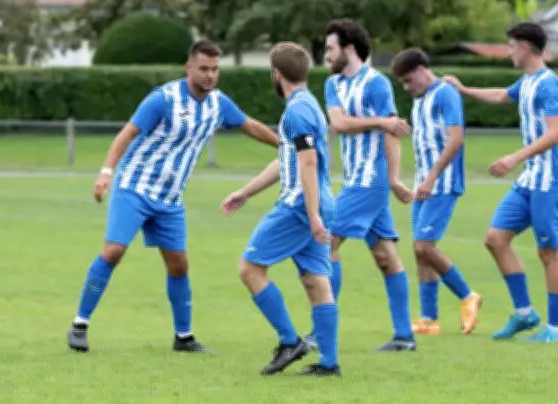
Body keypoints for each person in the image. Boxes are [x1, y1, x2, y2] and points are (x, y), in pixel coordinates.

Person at [67, 39, 280, 353]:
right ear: (189, 67)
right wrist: (106, 172)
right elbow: (127, 133)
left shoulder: (218, 104)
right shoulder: (163, 99)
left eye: (215, 69)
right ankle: (79, 325)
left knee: (179, 265)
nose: (210, 75)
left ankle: (184, 337)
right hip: (134, 188)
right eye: (204, 68)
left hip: (170, 199)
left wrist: (284, 146)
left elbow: (248, 125)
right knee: (113, 252)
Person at [443, 22, 558, 343]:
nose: (509, 52)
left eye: (512, 46)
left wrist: (514, 157)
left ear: (526, 47)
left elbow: (557, 132)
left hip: (551, 180)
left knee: (549, 253)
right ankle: (525, 313)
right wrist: (464, 90)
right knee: (495, 238)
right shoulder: (528, 81)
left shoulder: (548, 84)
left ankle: (556, 330)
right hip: (530, 178)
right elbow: (502, 95)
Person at [221, 42, 339, 376]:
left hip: (300, 206)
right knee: (316, 281)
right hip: (319, 201)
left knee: (250, 269)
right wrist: (246, 192)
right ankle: (329, 364)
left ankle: (290, 341)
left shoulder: (298, 112)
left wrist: (312, 214)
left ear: (277, 74)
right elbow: (287, 160)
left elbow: (308, 161)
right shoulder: (309, 105)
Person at [305, 19, 416, 352]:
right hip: (355, 180)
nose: (326, 55)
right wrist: (380, 121)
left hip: (370, 182)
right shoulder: (333, 84)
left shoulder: (377, 85)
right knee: (386, 256)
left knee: (326, 246)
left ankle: (321, 332)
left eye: (330, 48)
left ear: (349, 49)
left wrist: (394, 178)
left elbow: (393, 135)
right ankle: (404, 336)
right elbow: (338, 123)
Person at [390, 48, 482, 336]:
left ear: (421, 69)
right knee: (420, 251)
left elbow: (456, 140)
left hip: (441, 184)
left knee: (424, 246)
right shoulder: (420, 101)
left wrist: (431, 177)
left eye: (407, 80)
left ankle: (468, 296)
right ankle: (429, 320)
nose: (406, 88)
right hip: (424, 184)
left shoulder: (445, 94)